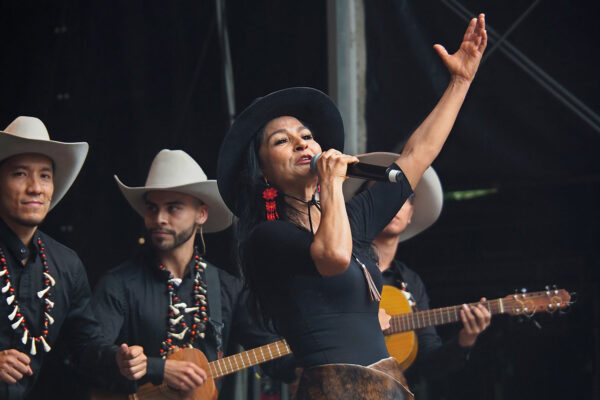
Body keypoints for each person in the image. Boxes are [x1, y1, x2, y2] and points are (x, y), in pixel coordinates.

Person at [216, 14, 487, 399]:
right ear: (261, 174)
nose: (302, 144)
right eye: (282, 141)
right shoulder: (267, 237)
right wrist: (331, 183)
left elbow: (416, 154)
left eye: (306, 136)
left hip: (387, 386)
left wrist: (461, 81)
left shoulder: (353, 220)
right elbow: (332, 257)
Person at [91, 149, 295, 396]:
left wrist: (313, 352)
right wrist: (156, 367)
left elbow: (275, 357)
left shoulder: (225, 287)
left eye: (173, 208)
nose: (160, 219)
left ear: (201, 214)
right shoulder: (119, 284)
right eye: (153, 208)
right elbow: (90, 355)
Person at [0, 116, 143, 399]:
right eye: (20, 174)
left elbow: (85, 345)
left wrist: (118, 358)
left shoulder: (65, 264)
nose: (35, 188)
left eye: (45, 175)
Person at [344, 153, 491, 384]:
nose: (394, 203)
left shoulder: (410, 282)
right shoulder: (338, 261)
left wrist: (465, 339)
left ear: (411, 213)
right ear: (364, 208)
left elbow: (428, 363)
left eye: (402, 196)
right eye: (383, 195)